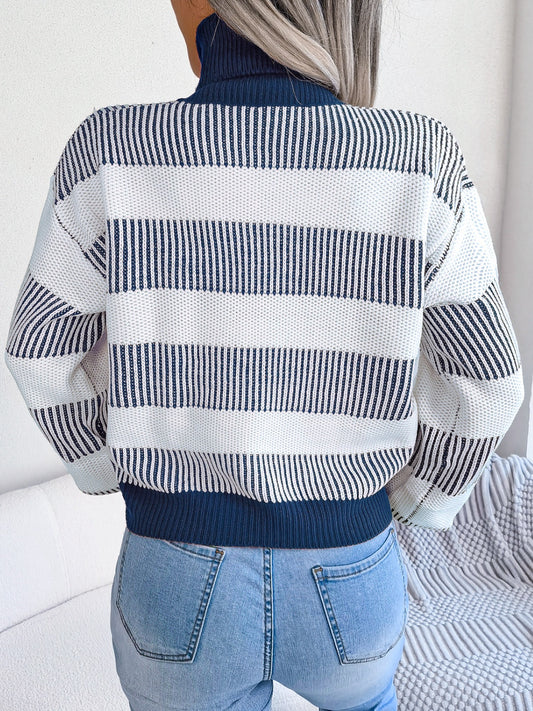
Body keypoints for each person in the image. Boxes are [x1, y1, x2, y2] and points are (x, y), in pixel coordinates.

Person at [4, 1, 524, 710]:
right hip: (352, 571)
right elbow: (488, 382)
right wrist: (416, 500)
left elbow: (38, 349)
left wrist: (107, 469)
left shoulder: (111, 149)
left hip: (174, 571)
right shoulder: (420, 157)